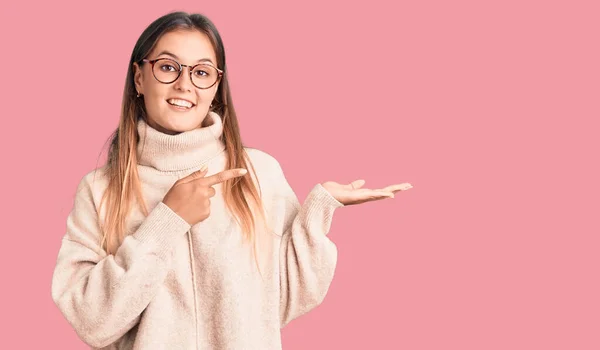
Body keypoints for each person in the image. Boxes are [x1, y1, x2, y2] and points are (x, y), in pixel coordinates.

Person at [50, 11, 413, 350]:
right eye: (167, 67)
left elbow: (283, 301)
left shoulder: (259, 173)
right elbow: (92, 322)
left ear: (216, 87)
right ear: (139, 77)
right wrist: (167, 221)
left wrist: (317, 211)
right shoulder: (99, 191)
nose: (184, 84)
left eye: (202, 72)